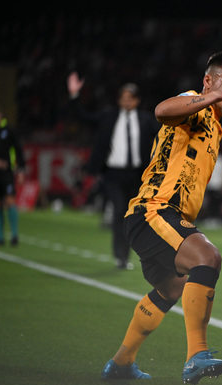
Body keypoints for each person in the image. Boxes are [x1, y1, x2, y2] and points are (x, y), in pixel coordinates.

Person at [100, 51, 222, 385]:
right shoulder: (193, 104)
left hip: (165, 216)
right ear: (209, 82)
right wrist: (210, 96)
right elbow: (161, 111)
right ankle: (196, 354)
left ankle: (121, 363)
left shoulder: (213, 126)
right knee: (208, 257)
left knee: (171, 289)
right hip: (154, 210)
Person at [67, 74, 159, 269]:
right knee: (119, 213)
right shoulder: (108, 117)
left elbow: (166, 132)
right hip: (113, 175)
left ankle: (129, 255)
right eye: (123, 97)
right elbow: (83, 117)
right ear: (119, 100)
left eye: (130, 97)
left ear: (137, 100)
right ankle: (121, 257)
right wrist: (74, 95)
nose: (127, 101)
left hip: (137, 176)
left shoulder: (145, 119)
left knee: (135, 217)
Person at [0, 104, 25, 246]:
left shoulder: (8, 130)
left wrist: (20, 170)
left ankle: (14, 235)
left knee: (10, 201)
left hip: (7, 173)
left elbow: (18, 150)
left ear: (0, 114)